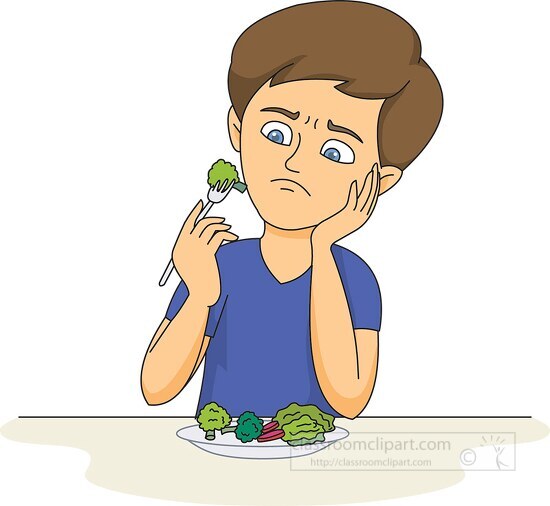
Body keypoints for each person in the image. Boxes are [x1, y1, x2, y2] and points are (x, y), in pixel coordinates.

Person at [141, 1, 443, 419]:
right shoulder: (221, 264)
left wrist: (322, 247)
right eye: (277, 132)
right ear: (238, 130)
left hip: (316, 463)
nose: (297, 163)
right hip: (222, 453)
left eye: (335, 151)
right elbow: (156, 387)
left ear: (380, 181)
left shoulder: (353, 277)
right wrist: (201, 294)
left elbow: (349, 398)